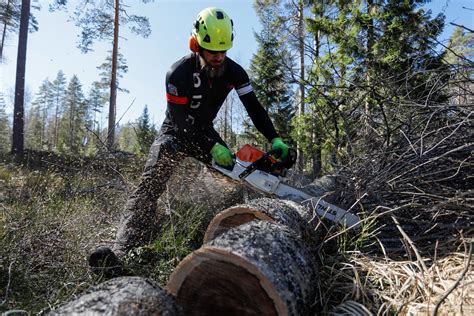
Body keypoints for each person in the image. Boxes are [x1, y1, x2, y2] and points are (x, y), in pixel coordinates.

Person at [89, 7, 289, 276]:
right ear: (196, 44)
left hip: (206, 133)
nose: (218, 58)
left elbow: (254, 107)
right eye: (212, 51)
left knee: (234, 176)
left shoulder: (235, 72)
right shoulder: (179, 73)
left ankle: (220, 229)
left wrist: (274, 137)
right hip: (175, 133)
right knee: (149, 187)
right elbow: (181, 123)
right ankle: (122, 251)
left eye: (223, 51)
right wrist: (212, 147)